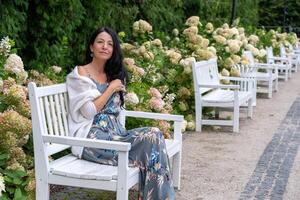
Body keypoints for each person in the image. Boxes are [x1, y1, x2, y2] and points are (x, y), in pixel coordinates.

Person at [66, 27, 175, 200]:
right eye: (100, 42)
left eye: (110, 44)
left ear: (113, 49)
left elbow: (118, 112)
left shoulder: (114, 74)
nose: (105, 46)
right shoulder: (81, 73)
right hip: (92, 138)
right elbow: (88, 112)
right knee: (152, 148)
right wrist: (111, 89)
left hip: (116, 136)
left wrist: (115, 84)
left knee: (154, 135)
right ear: (91, 47)